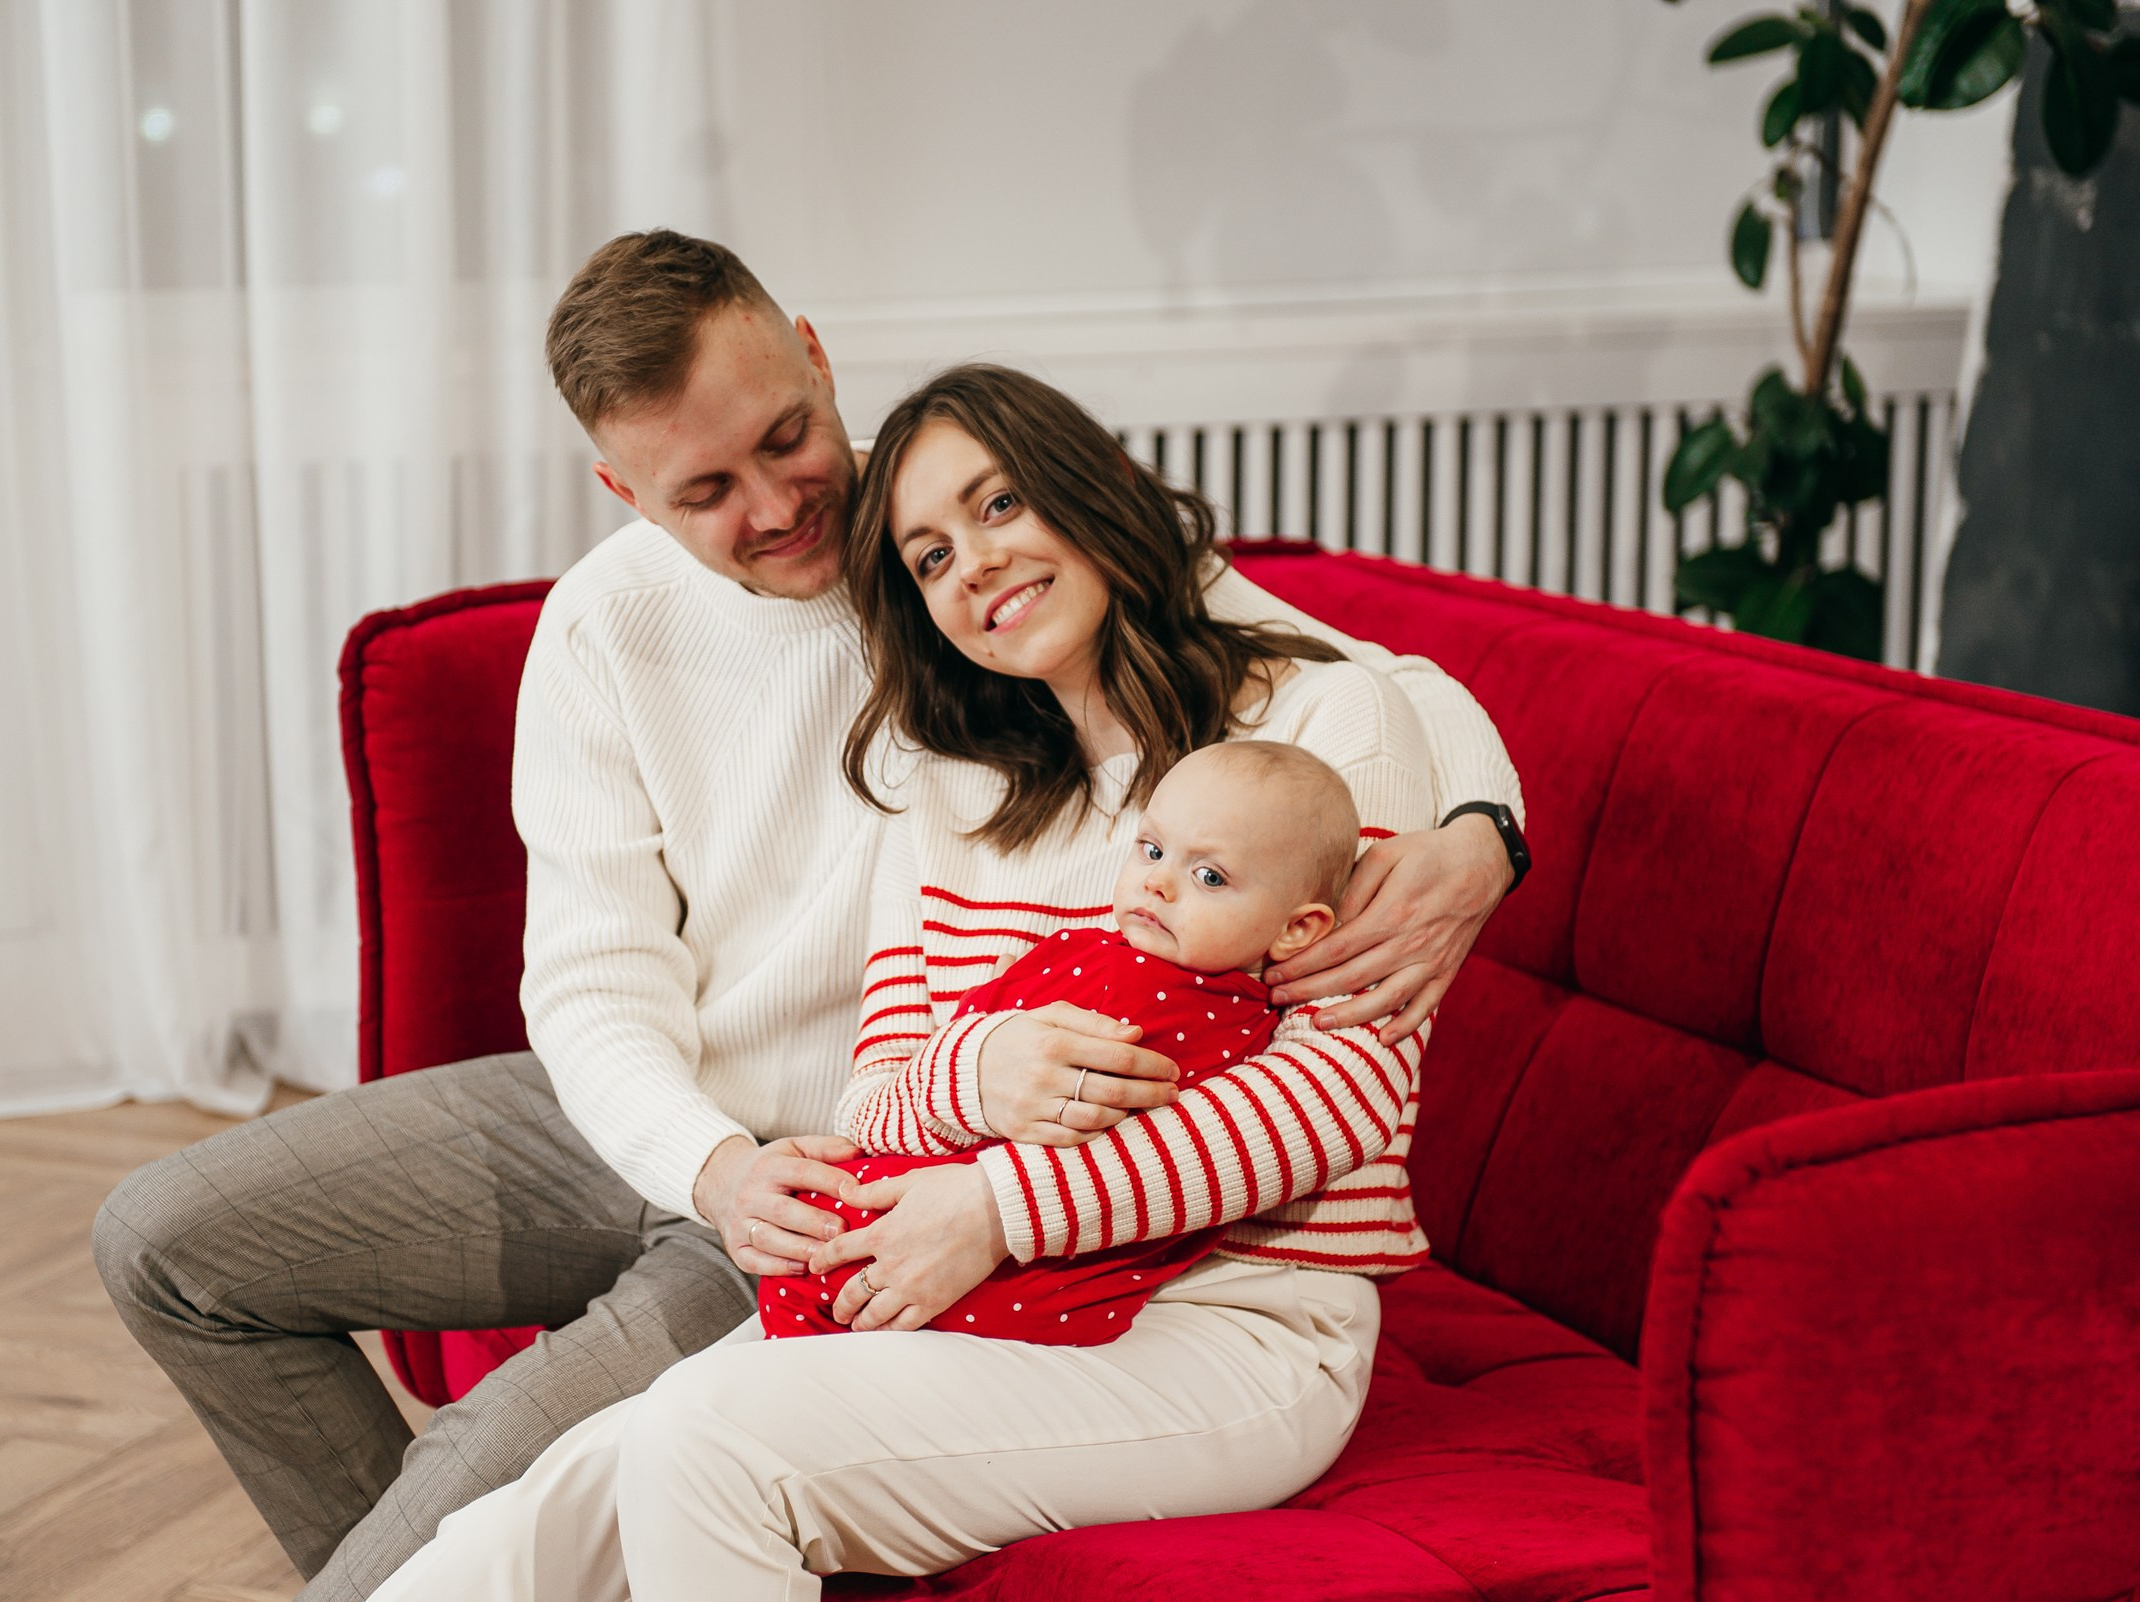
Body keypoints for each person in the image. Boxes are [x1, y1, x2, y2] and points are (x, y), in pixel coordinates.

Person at [91, 231, 1526, 1601]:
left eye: (785, 439)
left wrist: (1478, 833)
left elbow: (1359, 689)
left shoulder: (988, 555)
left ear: (819, 361)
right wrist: (709, 1165)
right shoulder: (629, 638)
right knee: (166, 1241)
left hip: (866, 1173)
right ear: (623, 491)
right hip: (722, 1134)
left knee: (515, 1472)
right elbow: (591, 982)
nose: (778, 508)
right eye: (705, 488)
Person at [765, 738, 1372, 1345]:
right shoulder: (1076, 952)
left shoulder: (1268, 1034)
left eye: (1209, 876)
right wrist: (972, 1068)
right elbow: (883, 1098)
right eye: (1153, 850)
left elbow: (1315, 1116)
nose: (1158, 883)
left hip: (1028, 1280)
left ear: (1299, 929)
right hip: (923, 1229)